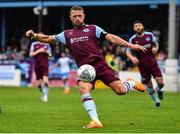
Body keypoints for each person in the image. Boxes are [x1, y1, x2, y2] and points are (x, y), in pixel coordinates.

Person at [26, 6, 147, 128]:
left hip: (101, 66)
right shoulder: (67, 34)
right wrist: (34, 35)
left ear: (84, 16)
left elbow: (111, 38)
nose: (77, 18)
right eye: (74, 16)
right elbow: (48, 38)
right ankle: (95, 120)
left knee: (120, 91)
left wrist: (131, 46)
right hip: (85, 69)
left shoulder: (93, 29)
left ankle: (131, 83)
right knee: (83, 89)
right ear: (70, 18)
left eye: (79, 16)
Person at [126, 20, 164, 108]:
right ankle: (157, 102)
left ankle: (159, 90)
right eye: (136, 26)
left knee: (160, 82)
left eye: (139, 25)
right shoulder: (132, 39)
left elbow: (156, 44)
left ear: (142, 26)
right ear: (133, 28)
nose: (138, 27)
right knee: (149, 84)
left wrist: (155, 48)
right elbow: (127, 51)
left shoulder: (149, 35)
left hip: (153, 64)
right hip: (142, 66)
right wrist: (132, 58)